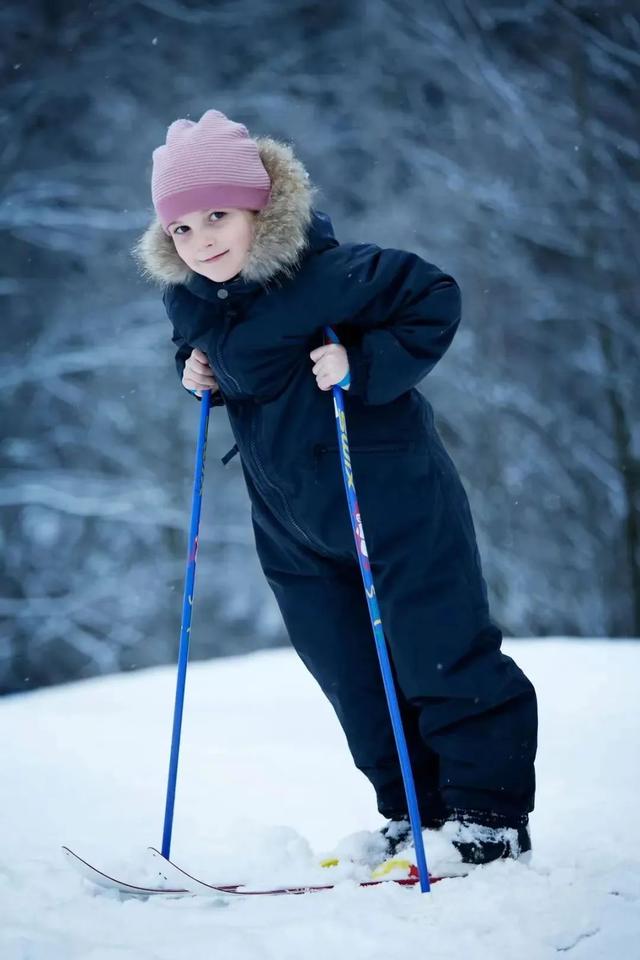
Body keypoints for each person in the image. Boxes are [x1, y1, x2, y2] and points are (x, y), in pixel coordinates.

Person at [133, 108, 538, 868]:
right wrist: (196, 376)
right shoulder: (190, 297)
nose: (202, 240)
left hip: (390, 496)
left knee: (438, 655)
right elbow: (210, 355)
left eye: (217, 215)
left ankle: (486, 815)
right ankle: (411, 811)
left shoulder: (332, 274)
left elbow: (435, 297)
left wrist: (362, 363)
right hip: (290, 522)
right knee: (353, 676)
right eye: (181, 229)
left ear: (261, 207)